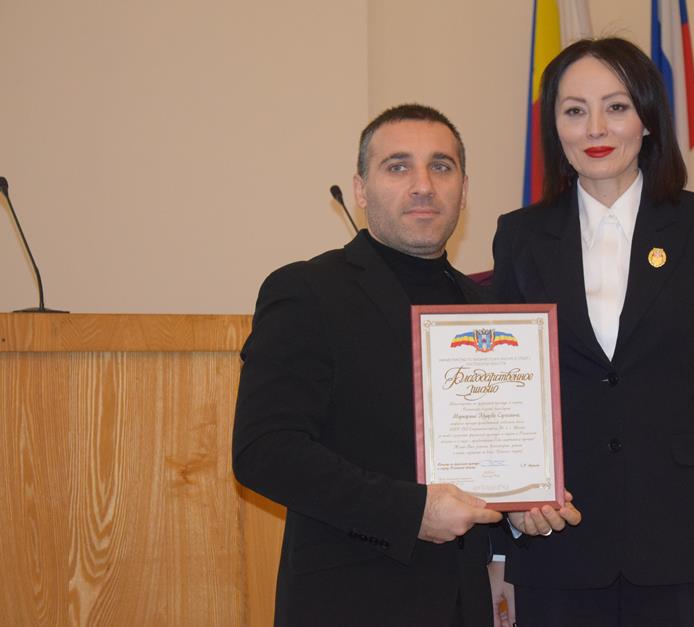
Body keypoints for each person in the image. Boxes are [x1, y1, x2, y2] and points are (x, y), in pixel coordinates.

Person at [232, 103, 579, 627]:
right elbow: (264, 451)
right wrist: (412, 512)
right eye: (397, 167)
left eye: (441, 166)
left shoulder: (491, 313)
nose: (423, 185)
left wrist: (520, 508)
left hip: (464, 606)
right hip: (348, 604)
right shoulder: (307, 291)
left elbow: (491, 464)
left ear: (464, 189)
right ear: (361, 189)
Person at [491, 38, 694, 627]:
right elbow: (503, 394)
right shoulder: (519, 236)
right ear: (554, 127)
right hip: (558, 542)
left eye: (616, 107)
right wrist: (511, 516)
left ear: (647, 119)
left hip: (687, 540)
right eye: (575, 110)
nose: (595, 128)